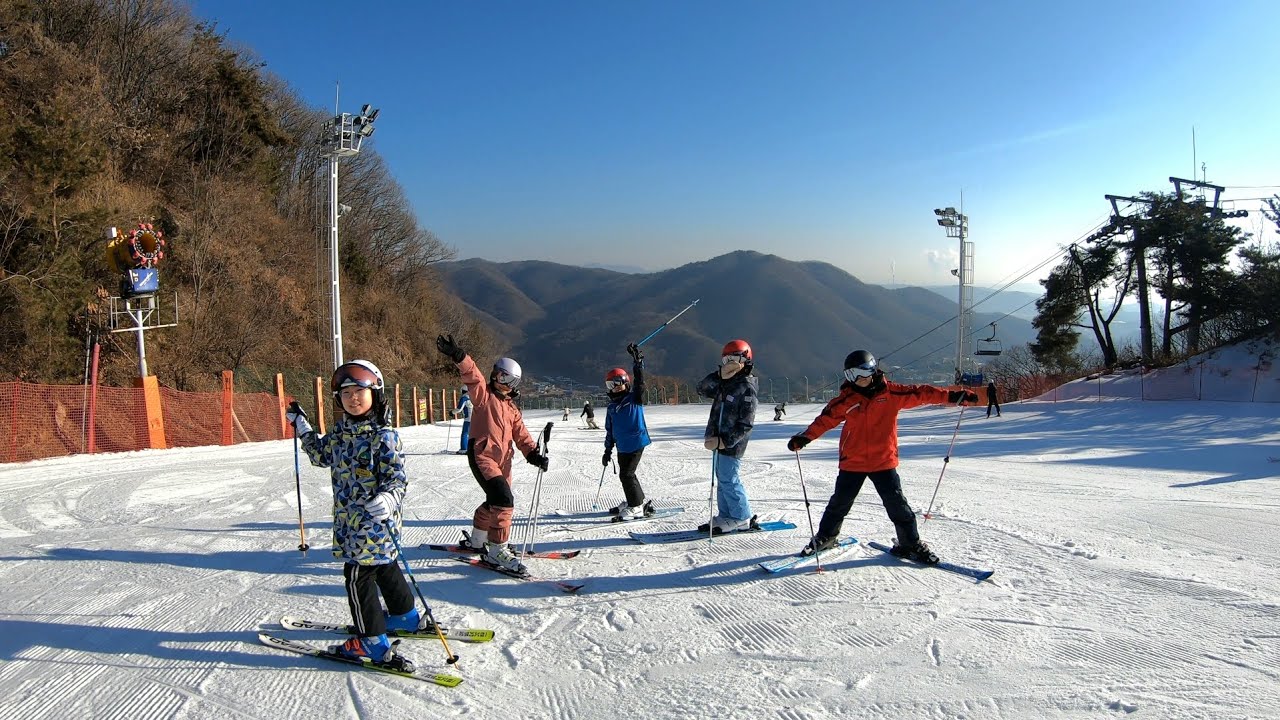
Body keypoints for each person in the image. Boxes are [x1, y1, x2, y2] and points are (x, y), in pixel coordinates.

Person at [786, 350, 979, 564]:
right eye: (852, 375)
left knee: (897, 505)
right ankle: (826, 536)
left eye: (862, 373)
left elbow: (922, 393)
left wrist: (954, 396)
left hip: (883, 461)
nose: (859, 380)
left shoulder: (892, 394)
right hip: (854, 461)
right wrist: (804, 438)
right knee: (839, 503)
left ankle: (910, 543)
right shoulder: (846, 399)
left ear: (872, 369)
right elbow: (825, 420)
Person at [285, 360, 417, 668]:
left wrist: (389, 497)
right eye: (345, 394)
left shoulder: (384, 436)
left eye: (360, 391)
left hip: (374, 524)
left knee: (358, 576)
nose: (353, 398)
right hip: (350, 523)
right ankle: (405, 617)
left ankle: (371, 642)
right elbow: (320, 455)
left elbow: (398, 478)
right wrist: (303, 427)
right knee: (385, 567)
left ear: (375, 393)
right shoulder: (341, 433)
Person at [436, 334, 548, 575]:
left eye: (508, 378)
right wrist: (460, 357)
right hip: (482, 455)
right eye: (499, 374)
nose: (501, 380)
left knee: (494, 502)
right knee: (504, 501)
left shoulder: (511, 409)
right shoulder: (483, 397)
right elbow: (473, 377)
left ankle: (478, 540)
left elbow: (522, 436)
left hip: (503, 462)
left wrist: (533, 455)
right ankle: (497, 549)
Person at [696, 338, 760, 534]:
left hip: (732, 443)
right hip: (717, 440)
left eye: (734, 358)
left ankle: (741, 516)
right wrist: (719, 376)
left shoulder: (747, 387)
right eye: (726, 360)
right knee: (721, 478)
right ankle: (726, 514)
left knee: (729, 478)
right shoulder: (725, 383)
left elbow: (746, 423)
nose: (729, 363)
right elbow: (701, 389)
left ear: (745, 359)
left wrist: (726, 441)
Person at [602, 343, 655, 519]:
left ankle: (636, 506)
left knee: (627, 474)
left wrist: (637, 363)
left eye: (618, 384)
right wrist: (607, 449)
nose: (615, 388)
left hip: (636, 442)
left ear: (626, 383)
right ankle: (635, 500)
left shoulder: (634, 399)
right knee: (626, 475)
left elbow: (640, 383)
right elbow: (610, 430)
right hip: (622, 446)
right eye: (611, 385)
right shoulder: (612, 407)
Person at [451, 387, 472, 454]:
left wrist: (452, 412)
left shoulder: (464, 398)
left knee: (465, 434)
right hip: (476, 418)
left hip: (468, 419)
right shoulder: (474, 397)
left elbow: (459, 409)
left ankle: (464, 449)